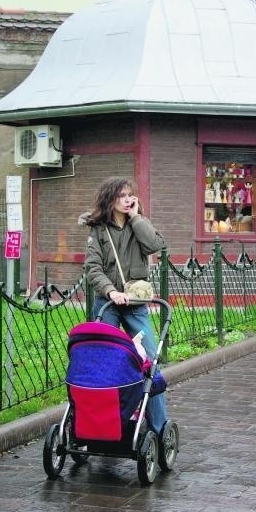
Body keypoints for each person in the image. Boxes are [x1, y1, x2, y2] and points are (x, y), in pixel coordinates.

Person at [82, 176, 168, 433]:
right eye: (122, 196)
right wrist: (110, 291)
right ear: (110, 199)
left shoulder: (138, 225)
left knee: (150, 362)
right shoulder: (98, 230)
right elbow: (93, 267)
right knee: (103, 362)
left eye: (130, 194)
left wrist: (136, 217)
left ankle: (159, 428)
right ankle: (102, 423)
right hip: (107, 304)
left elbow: (155, 245)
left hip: (136, 303)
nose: (128, 199)